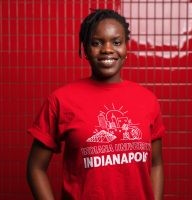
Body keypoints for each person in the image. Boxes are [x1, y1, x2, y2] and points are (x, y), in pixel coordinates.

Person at [26, 9, 165, 200]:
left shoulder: (147, 100)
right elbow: (35, 168)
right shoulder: (61, 100)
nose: (107, 49)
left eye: (116, 42)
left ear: (126, 48)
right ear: (85, 49)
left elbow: (156, 164)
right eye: (96, 43)